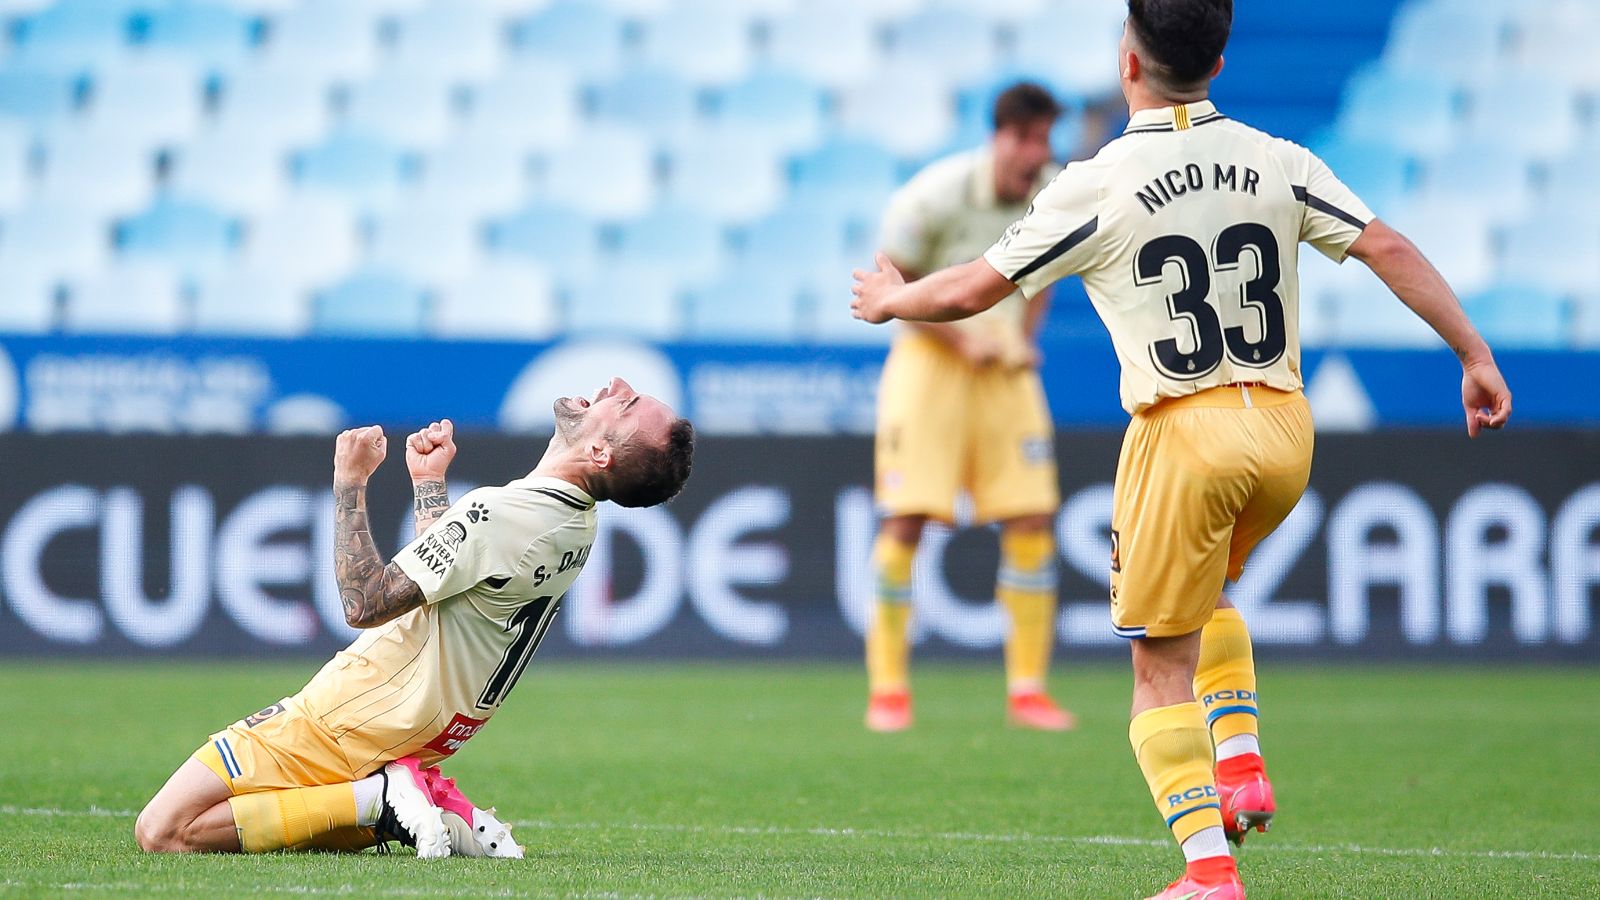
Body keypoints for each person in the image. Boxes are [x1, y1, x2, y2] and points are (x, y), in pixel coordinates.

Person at [850, 1, 1512, 896]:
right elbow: (1385, 245)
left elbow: (973, 287)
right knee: (1210, 595)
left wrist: (893, 300)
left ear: (1129, 63)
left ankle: (1207, 873)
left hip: (1182, 431)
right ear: (1221, 61)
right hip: (1284, 426)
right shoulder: (1278, 158)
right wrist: (1472, 355)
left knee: (1158, 667)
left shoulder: (1097, 180)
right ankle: (1240, 765)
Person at [135, 377, 694, 858]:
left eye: (625, 404)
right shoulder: (574, 522)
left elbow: (365, 602)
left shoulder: (501, 514)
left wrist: (349, 480)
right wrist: (429, 484)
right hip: (424, 729)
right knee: (287, 813)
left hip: (358, 712)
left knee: (164, 831)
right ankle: (400, 801)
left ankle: (379, 801)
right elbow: (452, 581)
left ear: (600, 454)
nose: (616, 385)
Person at [865, 81, 1077, 733]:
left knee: (1033, 515)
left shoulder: (1057, 190)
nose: (1037, 155)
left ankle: (1027, 689)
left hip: (1002, 366)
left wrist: (1020, 338)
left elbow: (1049, 273)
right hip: (930, 365)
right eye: (1028, 139)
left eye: (1046, 140)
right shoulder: (932, 197)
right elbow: (889, 288)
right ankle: (890, 690)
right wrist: (962, 342)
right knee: (906, 518)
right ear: (1000, 137)